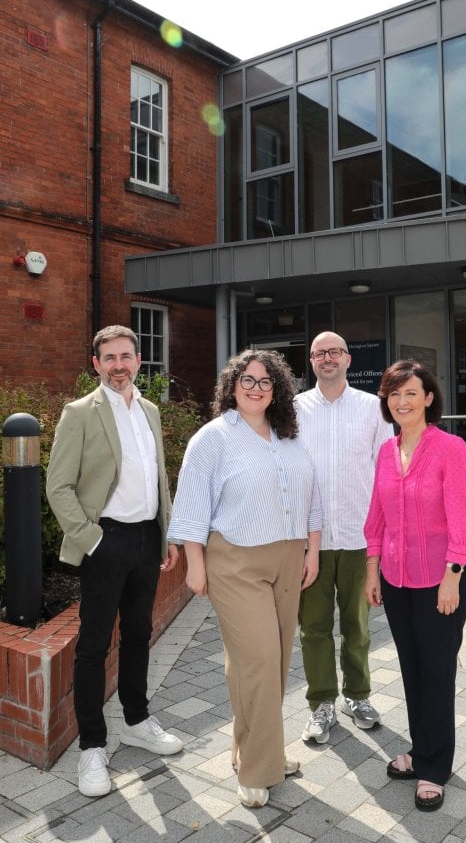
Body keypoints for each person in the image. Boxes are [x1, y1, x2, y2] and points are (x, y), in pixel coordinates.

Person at [168, 349, 321, 808]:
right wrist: (195, 564)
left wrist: (312, 550)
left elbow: (311, 495)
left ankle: (251, 748)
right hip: (235, 560)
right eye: (247, 380)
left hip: (289, 556)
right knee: (258, 660)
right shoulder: (213, 437)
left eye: (265, 381)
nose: (256, 388)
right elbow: (191, 502)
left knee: (274, 662)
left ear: (278, 390)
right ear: (232, 386)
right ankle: (259, 768)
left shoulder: (288, 436)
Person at [46, 325, 184, 799]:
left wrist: (166, 535)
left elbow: (159, 480)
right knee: (93, 643)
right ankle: (91, 746)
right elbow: (58, 486)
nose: (119, 365)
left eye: (126, 356)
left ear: (139, 361)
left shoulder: (149, 410)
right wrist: (92, 540)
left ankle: (136, 720)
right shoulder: (80, 413)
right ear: (96, 364)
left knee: (139, 634)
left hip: (147, 538)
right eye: (110, 358)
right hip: (106, 541)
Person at [364, 360, 466, 811]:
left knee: (436, 671)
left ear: (429, 398)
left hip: (440, 581)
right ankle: (420, 749)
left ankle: (434, 767)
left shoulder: (450, 448)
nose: (402, 401)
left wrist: (453, 578)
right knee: (412, 669)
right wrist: (372, 570)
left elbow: (463, 520)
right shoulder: (386, 451)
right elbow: (377, 516)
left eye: (411, 392)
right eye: (394, 394)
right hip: (396, 580)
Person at [295, 331, 394, 744]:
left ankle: (357, 695)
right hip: (310, 541)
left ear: (348, 359)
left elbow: (387, 472)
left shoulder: (373, 408)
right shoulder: (294, 410)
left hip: (359, 537)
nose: (328, 358)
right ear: (311, 361)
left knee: (357, 626)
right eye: (320, 353)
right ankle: (321, 702)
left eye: (335, 352)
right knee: (313, 627)